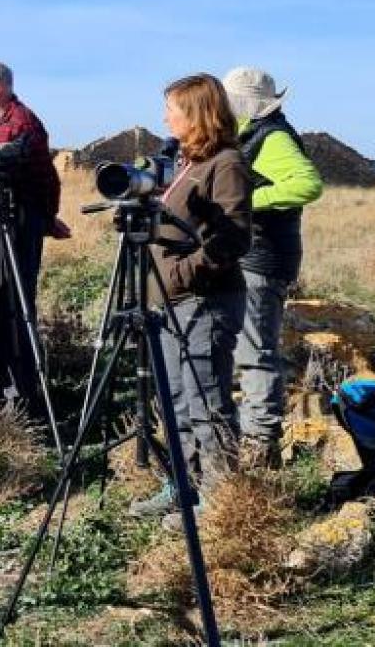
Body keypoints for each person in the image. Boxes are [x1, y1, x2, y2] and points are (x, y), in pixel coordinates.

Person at [132, 73, 253, 524]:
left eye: (173, 109)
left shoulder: (226, 164)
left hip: (206, 300)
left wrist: (183, 272)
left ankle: (220, 501)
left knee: (207, 399)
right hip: (172, 301)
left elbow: (234, 237)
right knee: (176, 400)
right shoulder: (185, 163)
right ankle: (182, 485)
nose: (165, 117)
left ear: (197, 114)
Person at [224, 67, 323, 470]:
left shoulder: (273, 136)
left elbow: (307, 183)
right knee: (247, 349)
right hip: (253, 256)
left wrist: (246, 202)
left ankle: (259, 447)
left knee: (256, 352)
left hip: (262, 261)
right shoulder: (253, 133)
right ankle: (251, 435)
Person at [0, 61, 68, 404]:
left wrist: (44, 217)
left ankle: (22, 392)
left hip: (18, 224)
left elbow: (46, 178)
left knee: (15, 306)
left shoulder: (21, 123)